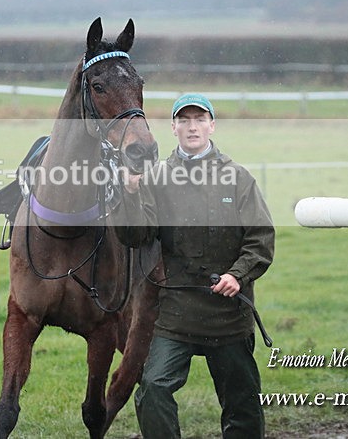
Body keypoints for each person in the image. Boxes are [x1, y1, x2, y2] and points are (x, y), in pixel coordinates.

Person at [117, 92, 275, 438]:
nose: (192, 127)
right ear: (173, 128)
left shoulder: (238, 177)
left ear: (212, 126)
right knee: (153, 388)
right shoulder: (156, 178)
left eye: (199, 119)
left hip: (229, 314)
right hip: (176, 313)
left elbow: (260, 239)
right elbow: (136, 237)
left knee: (242, 402)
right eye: (184, 120)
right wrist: (129, 193)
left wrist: (237, 275)